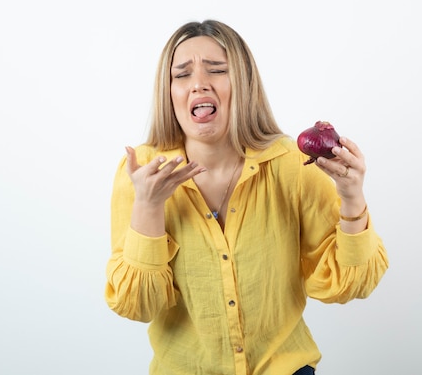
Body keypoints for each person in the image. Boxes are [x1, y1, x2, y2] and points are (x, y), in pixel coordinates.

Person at [104, 19, 389, 375]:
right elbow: (136, 306)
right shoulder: (142, 172)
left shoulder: (293, 165)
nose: (198, 84)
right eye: (182, 75)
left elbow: (346, 285)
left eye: (217, 70)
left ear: (244, 84)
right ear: (169, 92)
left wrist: (351, 197)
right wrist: (148, 206)